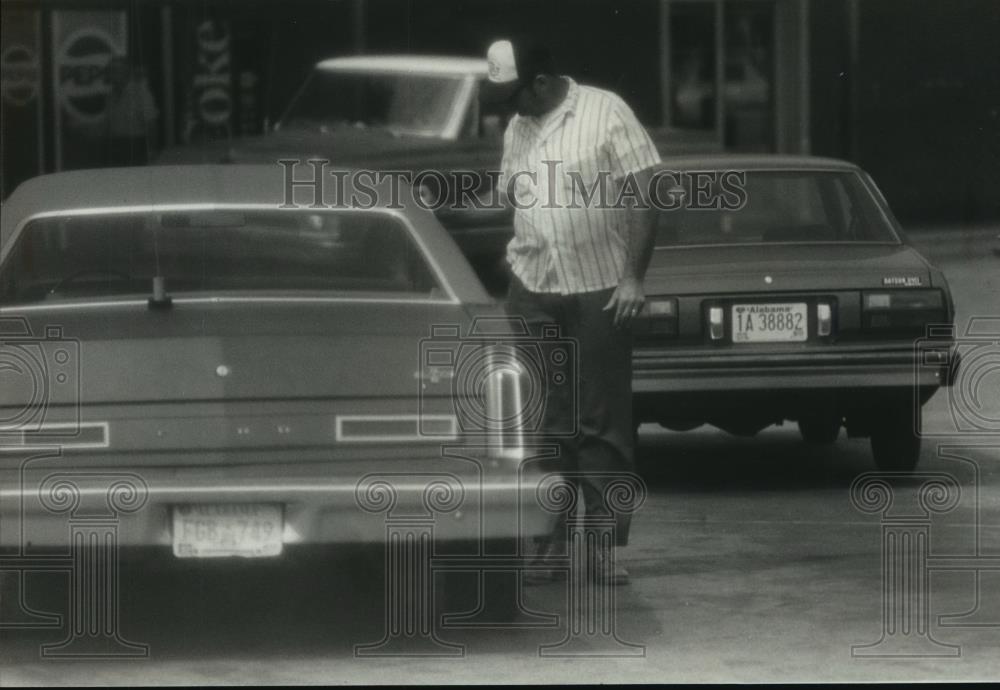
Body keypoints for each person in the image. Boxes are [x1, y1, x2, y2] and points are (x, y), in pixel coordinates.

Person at [482, 39, 661, 585]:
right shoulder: (518, 129)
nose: (510, 109)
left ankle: (603, 548)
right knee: (545, 421)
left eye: (515, 96)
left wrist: (633, 277)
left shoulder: (606, 111)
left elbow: (646, 194)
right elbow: (515, 199)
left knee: (601, 424)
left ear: (540, 82)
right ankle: (551, 545)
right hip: (534, 287)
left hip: (600, 288)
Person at [106, 57, 159, 166]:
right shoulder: (110, 96)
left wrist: (152, 150)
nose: (111, 75)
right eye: (110, 71)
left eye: (115, 70)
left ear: (126, 72)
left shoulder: (141, 93)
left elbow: (151, 124)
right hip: (116, 148)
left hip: (136, 148)